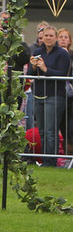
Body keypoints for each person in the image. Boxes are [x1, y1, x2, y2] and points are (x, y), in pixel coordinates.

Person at [28, 26, 70, 167]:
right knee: (42, 131)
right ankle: (45, 160)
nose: (48, 38)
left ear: (56, 37)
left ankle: (50, 162)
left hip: (55, 95)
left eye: (51, 35)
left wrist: (46, 69)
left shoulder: (62, 54)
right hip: (39, 94)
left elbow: (63, 74)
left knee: (51, 131)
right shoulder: (37, 52)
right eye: (46, 35)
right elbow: (29, 73)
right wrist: (34, 67)